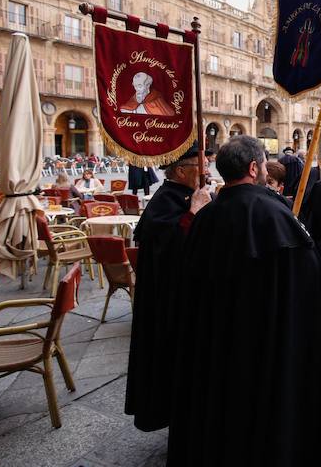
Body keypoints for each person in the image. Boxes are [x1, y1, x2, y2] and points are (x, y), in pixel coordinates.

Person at [167, 136, 321, 465]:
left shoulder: (205, 217)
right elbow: (305, 283)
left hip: (215, 345)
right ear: (254, 168)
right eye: (264, 164)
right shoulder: (276, 215)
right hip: (264, 347)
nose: (265, 169)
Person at [125, 145, 212, 432]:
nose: (206, 172)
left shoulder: (187, 194)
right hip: (167, 300)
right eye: (201, 167)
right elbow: (172, 245)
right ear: (181, 171)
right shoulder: (165, 200)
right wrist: (195, 211)